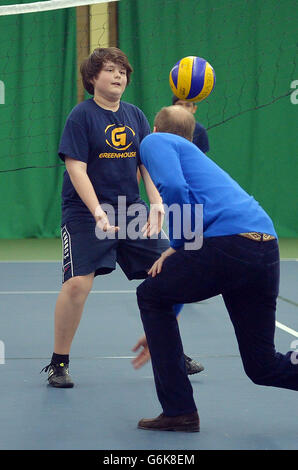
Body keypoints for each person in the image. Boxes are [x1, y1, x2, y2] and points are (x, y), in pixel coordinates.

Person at [41, 47, 202, 388]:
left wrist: (156, 204)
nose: (118, 76)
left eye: (122, 71)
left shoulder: (135, 116)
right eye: (110, 70)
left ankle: (168, 351)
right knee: (77, 284)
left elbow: (146, 163)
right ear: (92, 78)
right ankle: (59, 363)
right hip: (86, 213)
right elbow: (75, 167)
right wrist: (98, 212)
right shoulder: (81, 116)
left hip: (131, 211)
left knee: (170, 273)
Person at [135, 105, 298, 432]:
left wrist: (179, 245)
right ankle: (178, 410)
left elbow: (175, 189)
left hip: (228, 244)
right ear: (193, 137)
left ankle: (179, 411)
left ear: (155, 128)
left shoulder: (154, 142)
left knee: (150, 294)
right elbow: (182, 280)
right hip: (264, 245)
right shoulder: (196, 156)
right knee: (262, 365)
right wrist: (162, 326)